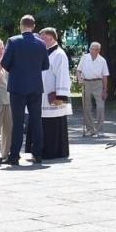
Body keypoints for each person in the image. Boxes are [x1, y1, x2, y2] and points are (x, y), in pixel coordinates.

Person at [0, 15, 49, 166]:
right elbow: (45, 65)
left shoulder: (13, 41)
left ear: (21, 25)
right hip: (35, 87)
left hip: (17, 87)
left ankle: (14, 156)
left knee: (18, 122)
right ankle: (38, 154)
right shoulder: (41, 44)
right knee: (36, 121)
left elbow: (5, 63)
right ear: (33, 26)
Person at [39, 27, 72, 161]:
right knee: (46, 124)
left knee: (55, 123)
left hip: (54, 95)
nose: (41, 40)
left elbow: (62, 76)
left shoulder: (59, 54)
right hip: (44, 95)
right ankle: (45, 150)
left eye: (43, 38)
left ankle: (56, 152)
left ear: (51, 37)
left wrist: (61, 96)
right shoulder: (47, 53)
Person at [77, 42, 109, 137]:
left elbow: (105, 76)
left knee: (100, 106)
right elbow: (78, 70)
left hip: (98, 83)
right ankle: (90, 129)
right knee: (86, 107)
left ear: (99, 50)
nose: (92, 51)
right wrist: (79, 79)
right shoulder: (84, 57)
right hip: (86, 83)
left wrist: (105, 89)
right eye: (91, 49)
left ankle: (99, 129)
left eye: (95, 49)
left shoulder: (102, 60)